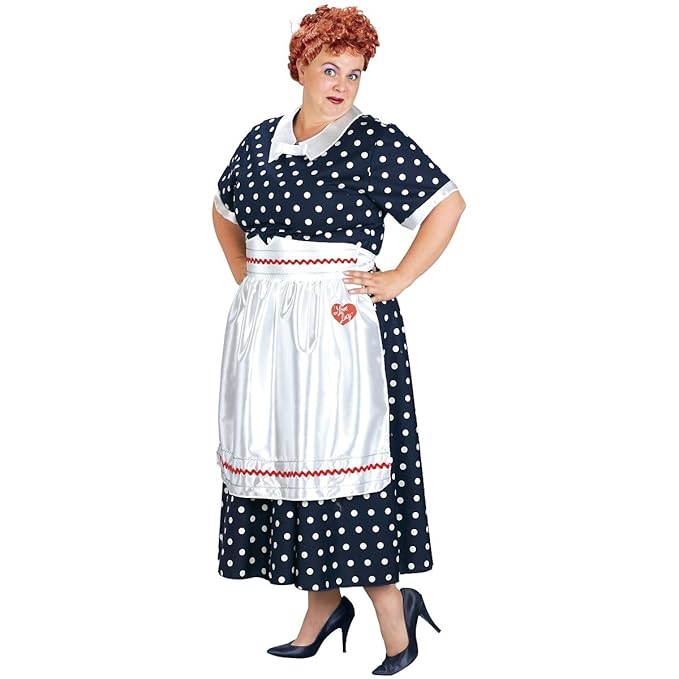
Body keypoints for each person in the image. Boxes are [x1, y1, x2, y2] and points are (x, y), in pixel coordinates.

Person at [211, 5, 466, 675]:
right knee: (294, 462)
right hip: (269, 333)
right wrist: (250, 278)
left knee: (345, 467)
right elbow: (223, 210)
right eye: (329, 69)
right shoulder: (259, 140)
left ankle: (394, 618)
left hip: (342, 327)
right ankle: (322, 608)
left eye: (354, 74)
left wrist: (398, 277)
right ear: (299, 66)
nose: (342, 85)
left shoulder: (373, 140)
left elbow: (447, 205)